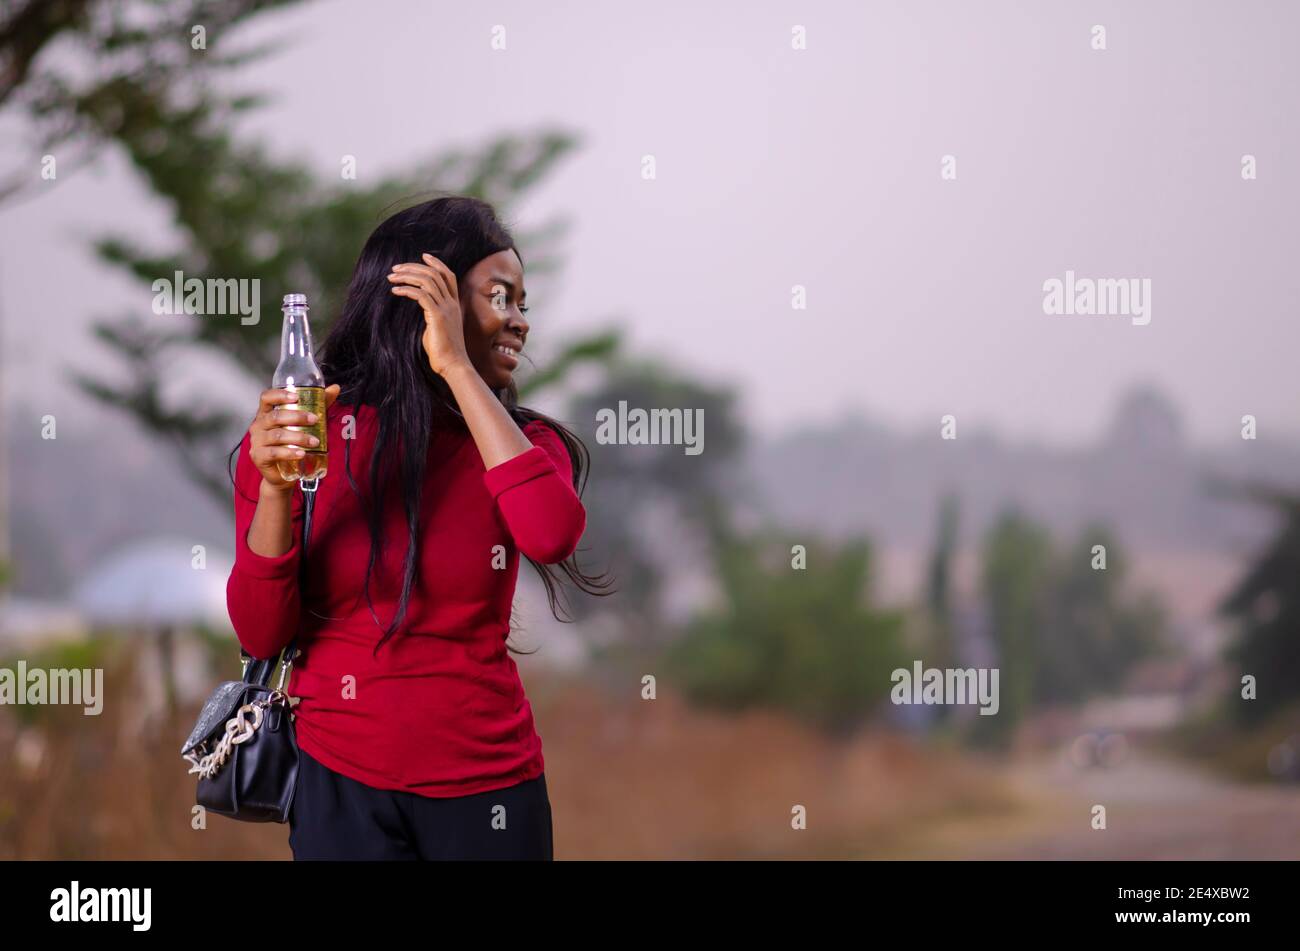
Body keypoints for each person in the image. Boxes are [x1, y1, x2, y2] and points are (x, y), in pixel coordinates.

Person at [225, 195, 610, 860]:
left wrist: (456, 365)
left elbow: (550, 534)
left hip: (489, 791)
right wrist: (277, 487)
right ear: (436, 302)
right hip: (339, 784)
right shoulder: (309, 436)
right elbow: (262, 630)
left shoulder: (521, 444)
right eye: (501, 297)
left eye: (523, 302)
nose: (519, 321)